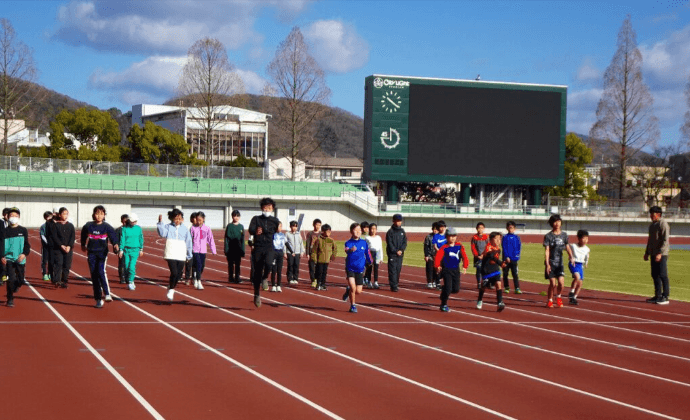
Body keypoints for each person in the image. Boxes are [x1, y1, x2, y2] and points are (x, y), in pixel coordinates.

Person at [81, 205, 120, 308]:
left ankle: (107, 294)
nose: (99, 216)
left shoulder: (106, 227)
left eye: (101, 214)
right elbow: (83, 234)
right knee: (94, 275)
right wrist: (83, 244)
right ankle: (98, 299)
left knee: (101, 271)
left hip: (102, 253)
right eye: (97, 213)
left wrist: (115, 245)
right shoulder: (88, 226)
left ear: (104, 215)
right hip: (91, 253)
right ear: (93, 215)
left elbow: (113, 237)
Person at [248, 198, 280, 308]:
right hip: (258, 247)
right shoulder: (256, 219)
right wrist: (256, 231)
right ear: (262, 208)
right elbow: (250, 230)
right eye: (265, 207)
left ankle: (265, 277)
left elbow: (276, 231)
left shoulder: (275, 220)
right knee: (257, 272)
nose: (267, 209)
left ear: (273, 209)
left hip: (269, 247)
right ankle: (256, 294)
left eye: (270, 207)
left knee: (269, 264)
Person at [157, 209, 193, 302]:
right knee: (174, 272)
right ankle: (171, 290)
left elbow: (189, 242)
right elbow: (162, 233)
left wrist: (189, 254)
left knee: (179, 273)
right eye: (176, 218)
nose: (177, 220)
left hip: (181, 252)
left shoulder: (185, 229)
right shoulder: (168, 227)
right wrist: (160, 223)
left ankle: (171, 285)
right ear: (172, 219)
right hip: (171, 251)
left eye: (179, 218)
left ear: (182, 219)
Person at [1, 207, 30, 308]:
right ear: (7, 217)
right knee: (11, 279)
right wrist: (1, 256)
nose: (13, 217)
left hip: (20, 258)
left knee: (21, 280)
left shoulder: (23, 230)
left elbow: (27, 245)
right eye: (11, 215)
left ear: (19, 217)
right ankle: (10, 299)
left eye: (16, 216)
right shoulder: (4, 231)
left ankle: (15, 286)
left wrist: (24, 254)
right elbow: (1, 245)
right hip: (8, 258)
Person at [434, 227, 468, 312]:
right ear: (447, 237)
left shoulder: (459, 246)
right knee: (448, 288)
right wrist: (437, 266)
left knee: (456, 289)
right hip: (446, 270)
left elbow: (464, 256)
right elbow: (438, 257)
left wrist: (465, 266)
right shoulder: (444, 247)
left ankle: (444, 290)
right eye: (450, 236)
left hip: (456, 270)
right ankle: (443, 304)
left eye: (454, 236)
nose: (452, 238)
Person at [544, 214, 574, 308]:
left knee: (561, 283)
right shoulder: (548, 236)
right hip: (551, 263)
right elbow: (547, 250)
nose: (557, 224)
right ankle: (550, 300)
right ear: (552, 223)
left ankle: (559, 296)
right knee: (553, 284)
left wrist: (571, 256)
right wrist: (547, 264)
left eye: (559, 221)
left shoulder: (564, 235)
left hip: (560, 263)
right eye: (555, 222)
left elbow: (567, 246)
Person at [342, 223, 372, 313]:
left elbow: (367, 253)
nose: (358, 232)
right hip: (350, 268)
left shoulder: (364, 242)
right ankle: (353, 305)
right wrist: (350, 250)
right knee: (353, 287)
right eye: (355, 230)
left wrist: (370, 261)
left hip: (360, 269)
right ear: (351, 231)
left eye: (359, 230)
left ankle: (348, 290)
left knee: (358, 291)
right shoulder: (348, 242)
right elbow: (346, 250)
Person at [644, 206, 670, 305]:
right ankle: (657, 295)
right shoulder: (652, 225)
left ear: (658, 214)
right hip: (653, 253)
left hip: (661, 254)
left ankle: (665, 296)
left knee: (662, 274)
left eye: (652, 214)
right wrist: (647, 252)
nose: (651, 216)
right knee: (655, 274)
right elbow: (650, 240)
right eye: (650, 214)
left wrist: (660, 253)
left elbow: (665, 240)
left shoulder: (663, 224)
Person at [477, 232, 507, 312]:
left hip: (495, 269)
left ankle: (500, 302)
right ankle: (480, 299)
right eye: (496, 238)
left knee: (498, 284)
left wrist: (503, 263)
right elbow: (491, 256)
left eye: (499, 239)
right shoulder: (488, 247)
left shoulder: (498, 248)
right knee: (483, 286)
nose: (498, 240)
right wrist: (500, 263)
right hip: (486, 269)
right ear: (491, 239)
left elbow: (496, 258)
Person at [190, 211, 217, 290]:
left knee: (202, 266)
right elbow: (189, 239)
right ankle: (198, 281)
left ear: (203, 219)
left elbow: (210, 239)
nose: (198, 222)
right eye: (197, 220)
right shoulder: (193, 228)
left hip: (203, 250)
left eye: (200, 220)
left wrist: (213, 250)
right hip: (195, 249)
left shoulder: (207, 228)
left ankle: (195, 276)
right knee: (198, 264)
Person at [50, 207, 75, 288]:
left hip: (68, 249)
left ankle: (64, 281)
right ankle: (57, 280)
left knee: (66, 265)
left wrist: (69, 246)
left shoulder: (70, 225)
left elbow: (72, 237)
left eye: (67, 214)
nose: (65, 216)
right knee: (59, 264)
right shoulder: (55, 225)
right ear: (60, 215)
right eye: (64, 214)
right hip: (58, 249)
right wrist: (61, 245)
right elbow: (54, 237)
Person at [119, 213, 144, 291]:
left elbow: (141, 239)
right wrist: (121, 250)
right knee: (126, 267)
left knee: (131, 266)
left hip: (135, 250)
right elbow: (122, 239)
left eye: (135, 221)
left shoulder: (138, 228)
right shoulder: (124, 229)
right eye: (133, 221)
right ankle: (129, 280)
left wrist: (141, 249)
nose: (134, 223)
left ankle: (131, 281)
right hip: (126, 250)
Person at [311, 223, 337, 291]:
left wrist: (333, 256)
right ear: (323, 231)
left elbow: (335, 249)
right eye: (327, 231)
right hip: (319, 259)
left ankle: (323, 284)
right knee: (319, 272)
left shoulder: (331, 240)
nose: (329, 233)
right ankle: (318, 283)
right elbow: (314, 250)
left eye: (330, 231)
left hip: (326, 260)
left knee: (324, 273)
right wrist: (314, 258)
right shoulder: (318, 240)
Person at [568, 229, 590, 305]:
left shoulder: (587, 249)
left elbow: (587, 256)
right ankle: (571, 292)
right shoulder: (573, 246)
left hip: (580, 265)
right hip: (573, 263)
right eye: (584, 238)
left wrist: (586, 263)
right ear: (579, 238)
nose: (586, 240)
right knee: (577, 277)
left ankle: (574, 298)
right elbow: (566, 248)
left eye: (587, 238)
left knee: (580, 284)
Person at [386, 214, 407, 292]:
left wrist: (401, 250)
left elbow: (405, 242)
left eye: (400, 221)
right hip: (392, 254)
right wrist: (395, 251)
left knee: (398, 269)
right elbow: (389, 243)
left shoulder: (402, 231)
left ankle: (396, 283)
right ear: (393, 221)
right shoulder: (390, 232)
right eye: (397, 221)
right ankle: (393, 285)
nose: (398, 222)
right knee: (392, 270)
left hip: (400, 254)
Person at [224, 210, 245, 283]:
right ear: (232, 217)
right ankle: (230, 277)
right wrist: (226, 249)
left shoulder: (241, 227)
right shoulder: (229, 226)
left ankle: (237, 278)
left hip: (238, 247)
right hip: (231, 247)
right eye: (234, 216)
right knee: (230, 264)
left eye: (237, 216)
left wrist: (243, 250)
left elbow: (242, 238)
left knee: (238, 264)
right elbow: (226, 238)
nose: (236, 217)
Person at [502, 221, 522, 294]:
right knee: (505, 274)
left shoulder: (517, 237)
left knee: (515, 274)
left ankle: (517, 288)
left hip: (514, 259)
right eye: (509, 227)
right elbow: (504, 247)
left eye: (512, 228)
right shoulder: (505, 237)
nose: (511, 229)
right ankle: (506, 287)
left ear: (514, 229)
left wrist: (517, 255)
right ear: (507, 228)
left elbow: (518, 247)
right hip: (506, 259)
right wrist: (506, 256)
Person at [285, 220, 304, 285]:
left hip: (297, 252)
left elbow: (301, 243)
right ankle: (290, 278)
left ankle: (295, 278)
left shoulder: (298, 234)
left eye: (296, 226)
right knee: (290, 266)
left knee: (296, 266)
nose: (294, 228)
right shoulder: (287, 234)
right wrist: (285, 252)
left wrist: (302, 251)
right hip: (290, 252)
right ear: (290, 227)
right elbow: (285, 244)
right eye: (293, 226)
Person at [471, 222, 489, 289]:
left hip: (485, 256)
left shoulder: (486, 237)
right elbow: (473, 247)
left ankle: (486, 282)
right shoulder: (474, 237)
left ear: (484, 228)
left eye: (481, 228)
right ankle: (479, 282)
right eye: (479, 228)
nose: (480, 229)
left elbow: (488, 246)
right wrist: (477, 255)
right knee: (478, 270)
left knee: (486, 270)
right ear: (476, 228)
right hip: (477, 257)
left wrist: (484, 254)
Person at [365, 223, 383, 289]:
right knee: (369, 267)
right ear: (369, 229)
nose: (373, 230)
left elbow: (380, 247)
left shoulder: (378, 237)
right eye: (372, 229)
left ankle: (375, 282)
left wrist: (381, 258)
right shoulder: (367, 238)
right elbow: (366, 248)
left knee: (376, 267)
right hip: (370, 252)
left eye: (374, 229)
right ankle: (369, 281)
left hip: (377, 253)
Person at [270, 222, 287, 292]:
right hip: (274, 253)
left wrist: (292, 251)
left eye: (281, 226)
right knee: (274, 270)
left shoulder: (283, 235)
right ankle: (273, 285)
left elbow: (286, 243)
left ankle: (279, 285)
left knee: (279, 270)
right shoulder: (272, 235)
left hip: (280, 253)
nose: (280, 228)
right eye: (279, 226)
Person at [305, 219, 322, 289]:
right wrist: (307, 253)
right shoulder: (310, 234)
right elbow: (308, 243)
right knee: (312, 267)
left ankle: (317, 279)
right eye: (317, 225)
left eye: (319, 225)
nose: (318, 226)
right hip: (312, 252)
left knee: (318, 267)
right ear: (313, 225)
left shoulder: (321, 234)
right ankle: (313, 280)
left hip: (319, 253)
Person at [432, 221, 448, 289]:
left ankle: (445, 282)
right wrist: (439, 251)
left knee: (446, 269)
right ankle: (437, 282)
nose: (442, 228)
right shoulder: (436, 236)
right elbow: (435, 245)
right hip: (438, 254)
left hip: (446, 254)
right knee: (438, 268)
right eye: (440, 227)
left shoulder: (447, 236)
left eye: (443, 227)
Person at [424, 222, 439, 289]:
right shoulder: (429, 237)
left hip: (438, 255)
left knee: (437, 269)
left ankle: (436, 281)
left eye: (436, 229)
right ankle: (430, 282)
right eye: (434, 229)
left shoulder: (441, 237)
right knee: (430, 268)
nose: (435, 231)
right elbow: (426, 246)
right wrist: (426, 255)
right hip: (430, 255)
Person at [184, 212, 198, 286]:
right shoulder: (189, 227)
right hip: (190, 248)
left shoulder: (199, 227)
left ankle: (194, 277)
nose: (196, 220)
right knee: (189, 264)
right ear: (192, 219)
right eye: (194, 218)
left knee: (195, 264)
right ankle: (187, 278)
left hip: (197, 249)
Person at [39, 210, 53, 282]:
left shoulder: (54, 225)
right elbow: (42, 235)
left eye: (51, 216)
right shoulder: (43, 226)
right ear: (45, 218)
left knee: (51, 260)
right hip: (46, 246)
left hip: (52, 247)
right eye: (48, 217)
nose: (50, 218)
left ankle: (50, 273)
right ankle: (44, 273)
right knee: (44, 260)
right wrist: (47, 242)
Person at [116, 214, 128, 284]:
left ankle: (128, 277)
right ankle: (122, 277)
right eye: (123, 222)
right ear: (121, 221)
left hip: (129, 249)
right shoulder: (118, 230)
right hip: (121, 249)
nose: (125, 223)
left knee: (129, 263)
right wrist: (117, 250)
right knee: (122, 263)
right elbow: (116, 241)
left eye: (126, 222)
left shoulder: (130, 229)